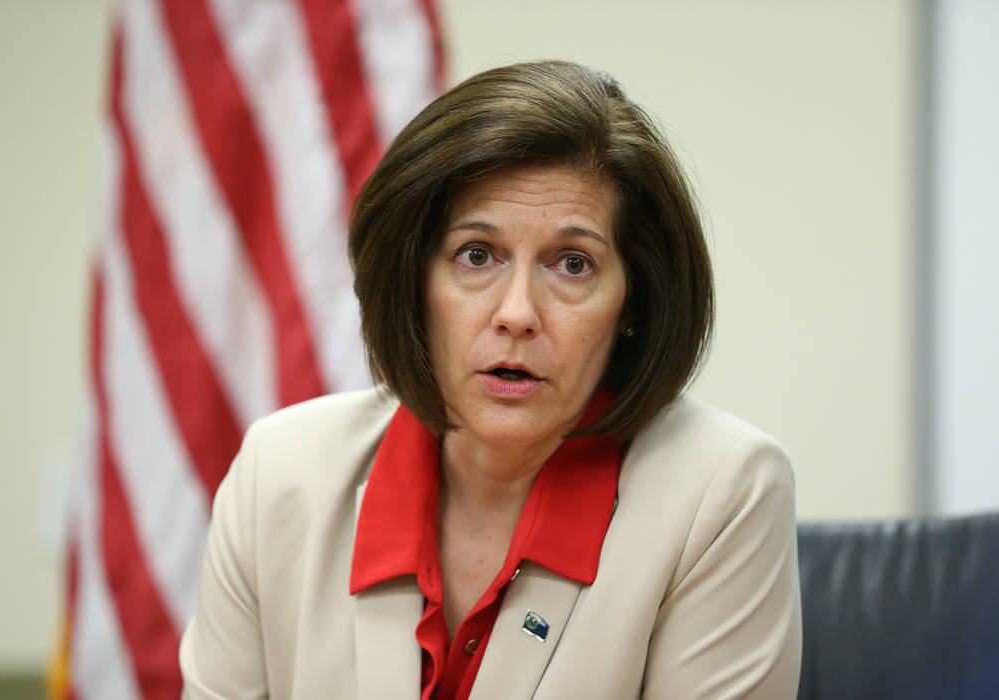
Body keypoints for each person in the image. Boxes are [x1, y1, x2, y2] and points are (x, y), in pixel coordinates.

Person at [179, 60, 801, 699]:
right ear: (415, 281)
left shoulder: (721, 495)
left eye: (573, 264)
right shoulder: (278, 477)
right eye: (477, 255)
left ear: (633, 303)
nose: (517, 315)